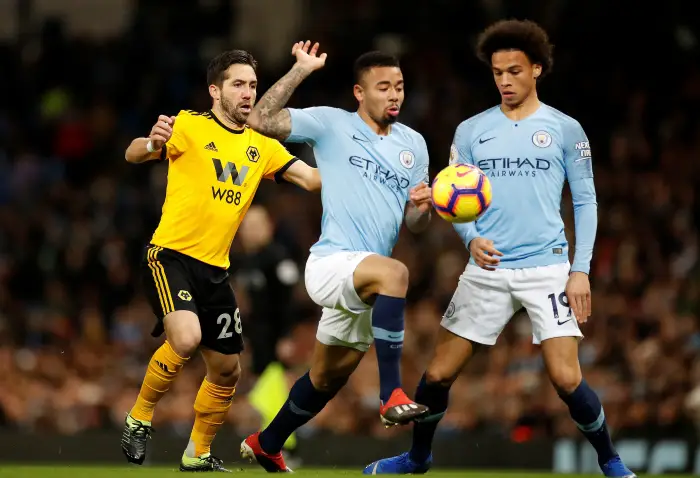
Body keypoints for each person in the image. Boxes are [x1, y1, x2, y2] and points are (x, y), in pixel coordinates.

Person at [364, 20, 635, 478]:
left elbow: (586, 201)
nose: (505, 81)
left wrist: (581, 269)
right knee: (438, 374)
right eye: (497, 73)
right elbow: (451, 197)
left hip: (547, 267)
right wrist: (472, 239)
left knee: (567, 378)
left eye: (514, 71)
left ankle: (610, 461)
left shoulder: (566, 129)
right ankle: (417, 458)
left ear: (537, 70)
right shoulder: (472, 131)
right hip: (487, 268)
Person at [120, 49, 321, 472]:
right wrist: (153, 142)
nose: (248, 93)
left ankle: (198, 452)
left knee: (228, 371)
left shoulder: (261, 147)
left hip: (215, 272)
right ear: (215, 91)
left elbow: (311, 179)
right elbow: (134, 153)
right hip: (170, 256)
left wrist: (359, 169)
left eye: (252, 85)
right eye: (238, 84)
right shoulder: (189, 125)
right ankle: (138, 418)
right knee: (187, 338)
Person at [240, 41, 433, 472]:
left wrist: (421, 210)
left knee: (327, 378)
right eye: (383, 87)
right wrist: (300, 70)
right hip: (331, 262)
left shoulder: (414, 146)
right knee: (396, 273)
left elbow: (415, 224)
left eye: (399, 86)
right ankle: (391, 396)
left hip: (366, 280)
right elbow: (259, 118)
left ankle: (266, 442)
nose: (395, 94)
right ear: (360, 94)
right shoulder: (331, 123)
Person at [235, 205, 302, 463]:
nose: (250, 232)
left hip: (276, 337)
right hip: (259, 337)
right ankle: (281, 446)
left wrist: (287, 336)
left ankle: (287, 447)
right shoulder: (247, 260)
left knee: (268, 395)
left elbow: (288, 301)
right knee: (267, 395)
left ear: (269, 228)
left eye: (256, 225)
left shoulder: (277, 257)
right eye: (247, 226)